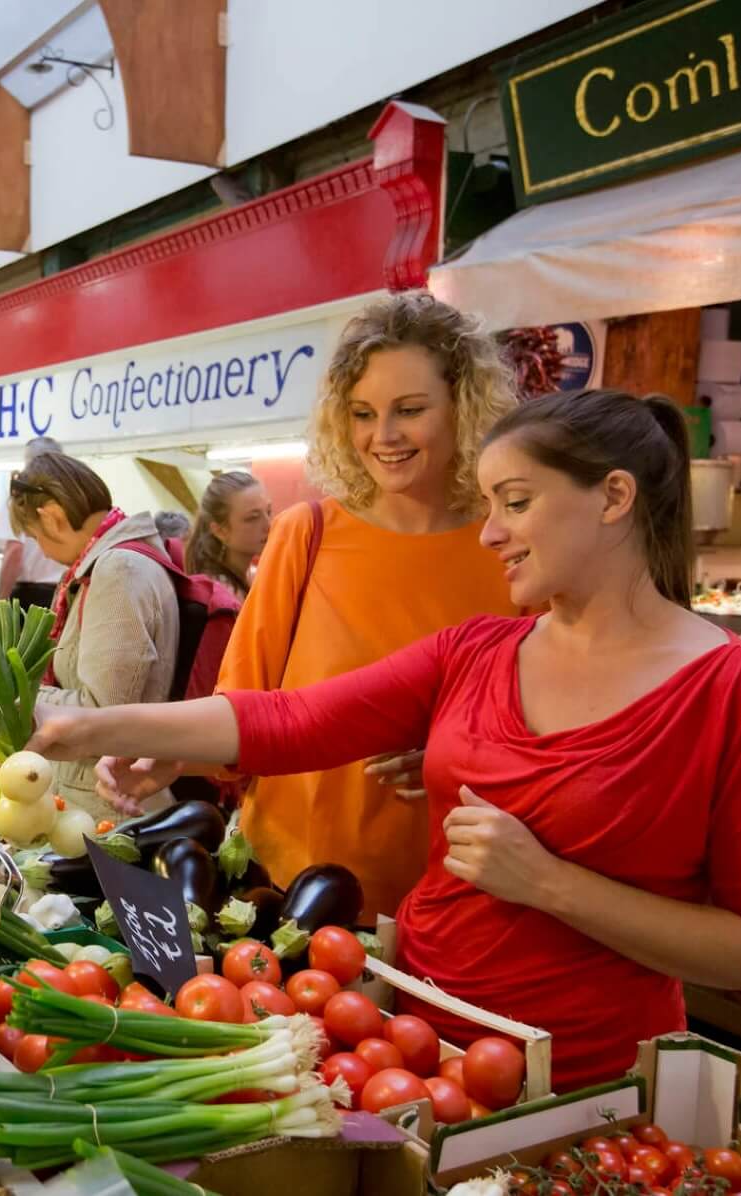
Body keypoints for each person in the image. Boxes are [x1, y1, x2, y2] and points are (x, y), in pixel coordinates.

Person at [27, 388, 741, 1093]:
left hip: (586, 1077)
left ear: (613, 497)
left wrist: (550, 883)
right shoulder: (475, 650)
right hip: (407, 1037)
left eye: (515, 502)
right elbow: (293, 717)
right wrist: (88, 725)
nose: (489, 534)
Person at [214, 291, 522, 918]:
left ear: (462, 408)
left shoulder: (511, 549)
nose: (382, 437)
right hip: (286, 881)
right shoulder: (308, 533)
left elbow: (541, 732)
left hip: (451, 899)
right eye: (361, 413)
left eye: (409, 410)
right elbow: (239, 708)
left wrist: (457, 753)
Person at [12, 452, 178, 816]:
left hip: (104, 808)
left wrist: (13, 700)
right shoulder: (106, 565)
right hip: (90, 802)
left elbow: (104, 713)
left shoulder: (118, 570)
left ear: (52, 517)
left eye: (36, 536)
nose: (41, 549)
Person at [0, 436, 69, 608]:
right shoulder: (70, 496)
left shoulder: (21, 496)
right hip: (66, 592)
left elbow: (14, 551)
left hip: (32, 596)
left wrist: (0, 600)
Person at [183, 471, 272, 600]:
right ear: (220, 531)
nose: (269, 525)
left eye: (269, 511)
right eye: (252, 518)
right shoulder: (222, 595)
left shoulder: (253, 575)